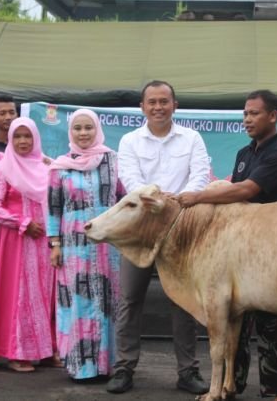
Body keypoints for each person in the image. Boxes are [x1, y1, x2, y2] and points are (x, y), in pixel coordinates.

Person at [177, 90, 277, 401]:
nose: (247, 119)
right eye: (245, 114)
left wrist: (199, 196)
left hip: (273, 248)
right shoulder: (245, 153)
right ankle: (232, 384)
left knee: (272, 321)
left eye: (254, 113)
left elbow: (245, 190)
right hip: (242, 250)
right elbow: (233, 194)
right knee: (234, 322)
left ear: (273, 116)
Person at [108, 80, 210, 395]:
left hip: (180, 229)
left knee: (183, 302)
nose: (158, 107)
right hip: (139, 228)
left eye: (164, 101)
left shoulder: (192, 138)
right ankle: (124, 368)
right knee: (130, 299)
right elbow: (130, 179)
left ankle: (188, 371)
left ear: (174, 105)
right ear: (142, 107)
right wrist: (155, 200)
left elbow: (200, 176)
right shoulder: (129, 141)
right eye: (151, 102)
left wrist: (173, 204)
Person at [48, 108, 122, 381]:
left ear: (97, 129)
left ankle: (108, 365)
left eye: (88, 127)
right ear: (70, 132)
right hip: (73, 247)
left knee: (107, 300)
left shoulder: (113, 161)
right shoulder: (61, 166)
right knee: (77, 303)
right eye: (77, 128)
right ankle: (81, 367)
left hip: (107, 246)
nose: (83, 133)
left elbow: (123, 198)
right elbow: (53, 207)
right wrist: (54, 244)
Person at [0, 117, 56, 371]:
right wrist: (23, 222)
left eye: (28, 136)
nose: (23, 141)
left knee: (46, 293)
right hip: (17, 240)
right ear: (10, 139)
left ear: (36, 138)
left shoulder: (47, 167)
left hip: (46, 241)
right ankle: (17, 353)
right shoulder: (3, 169)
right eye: (17, 136)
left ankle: (47, 350)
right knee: (20, 294)